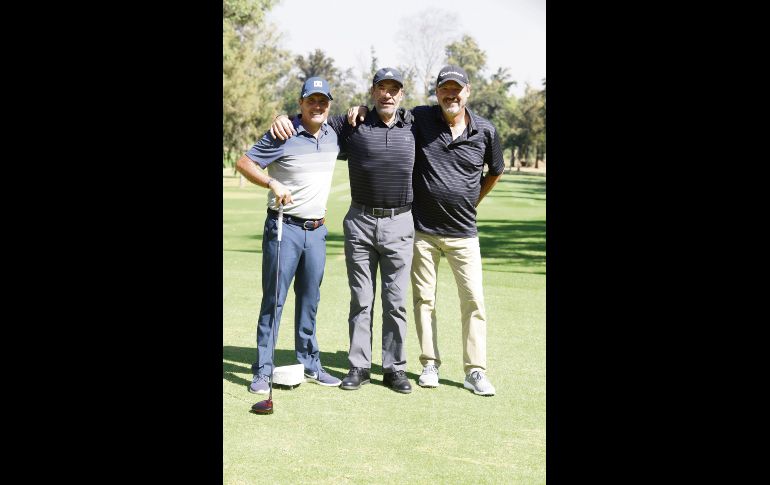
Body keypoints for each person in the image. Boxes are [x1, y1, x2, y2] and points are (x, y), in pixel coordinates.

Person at [348, 65, 505, 396]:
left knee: (474, 301)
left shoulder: (486, 131)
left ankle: (475, 370)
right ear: (436, 93)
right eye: (445, 89)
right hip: (422, 230)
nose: (451, 94)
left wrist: (473, 200)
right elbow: (386, 110)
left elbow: (495, 171)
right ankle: (429, 363)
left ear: (468, 91)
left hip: (464, 232)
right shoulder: (420, 118)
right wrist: (360, 109)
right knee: (423, 300)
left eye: (457, 89)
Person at [270, 68, 416, 394]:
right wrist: (282, 117)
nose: (388, 94)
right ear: (374, 92)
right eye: (382, 88)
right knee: (361, 299)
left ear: (401, 94)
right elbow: (311, 120)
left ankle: (394, 369)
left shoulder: (415, 124)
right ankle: (359, 366)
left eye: (394, 89)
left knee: (396, 302)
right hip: (361, 223)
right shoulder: (352, 124)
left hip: (400, 222)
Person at [236, 76, 342, 394]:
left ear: (328, 105)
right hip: (285, 228)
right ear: (301, 103)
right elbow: (244, 162)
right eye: (312, 100)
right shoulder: (284, 132)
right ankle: (262, 372)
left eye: (323, 101)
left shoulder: (335, 134)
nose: (318, 105)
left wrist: (361, 109)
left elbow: (358, 121)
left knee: (310, 301)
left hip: (317, 230)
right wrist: (271, 183)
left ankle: (310, 364)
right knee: (274, 301)